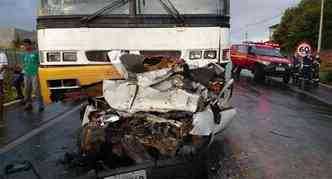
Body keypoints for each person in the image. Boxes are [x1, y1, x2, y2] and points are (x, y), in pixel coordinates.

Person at [21, 39, 44, 112]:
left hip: (35, 73)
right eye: (24, 45)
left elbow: (40, 63)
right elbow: (23, 63)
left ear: (30, 45)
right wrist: (23, 69)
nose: (25, 46)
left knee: (36, 89)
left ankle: (40, 105)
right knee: (27, 90)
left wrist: (39, 70)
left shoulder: (36, 53)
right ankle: (28, 104)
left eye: (26, 45)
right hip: (26, 74)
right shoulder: (24, 54)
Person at [0, 50, 8, 123]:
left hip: (0, 79)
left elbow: (5, 66)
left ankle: (1, 119)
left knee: (0, 99)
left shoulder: (2, 55)